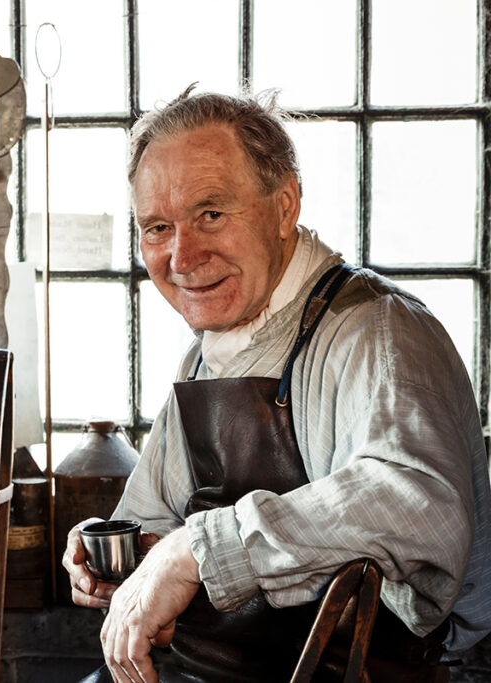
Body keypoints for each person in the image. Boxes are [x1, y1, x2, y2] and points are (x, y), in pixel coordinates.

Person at [62, 87, 491, 683]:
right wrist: (109, 552)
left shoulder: (378, 331)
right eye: (158, 227)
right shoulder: (203, 354)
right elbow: (153, 517)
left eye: (211, 213)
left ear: (285, 204)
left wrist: (195, 553)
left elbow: (416, 504)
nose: (182, 256)